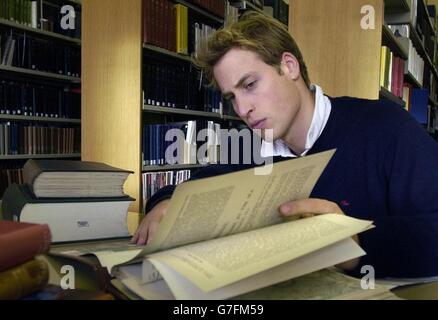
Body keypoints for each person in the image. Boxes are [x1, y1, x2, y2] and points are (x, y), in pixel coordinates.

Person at [132, 11, 438, 278]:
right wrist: (164, 204)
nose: (242, 110)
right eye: (232, 98)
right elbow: (190, 188)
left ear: (289, 66)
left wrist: (355, 245)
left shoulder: (385, 126)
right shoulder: (251, 149)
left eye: (250, 85)